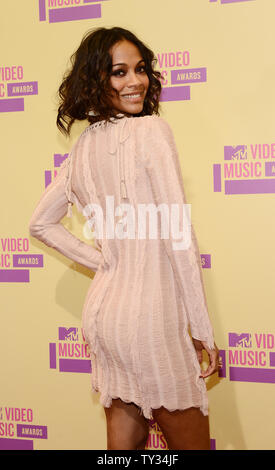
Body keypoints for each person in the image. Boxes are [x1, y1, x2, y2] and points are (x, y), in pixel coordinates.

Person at [29, 26, 220, 450]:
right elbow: (177, 236)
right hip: (154, 320)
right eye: (119, 72)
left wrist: (111, 264)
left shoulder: (82, 149)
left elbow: (40, 223)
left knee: (123, 449)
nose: (135, 81)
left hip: (106, 318)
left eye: (140, 69)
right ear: (96, 79)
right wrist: (203, 329)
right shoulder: (152, 132)